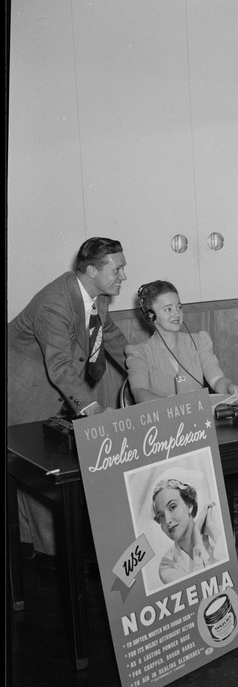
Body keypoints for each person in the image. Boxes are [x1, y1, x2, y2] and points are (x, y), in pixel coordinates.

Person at [7, 237, 130, 561]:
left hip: (57, 385)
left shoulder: (97, 294)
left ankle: (45, 548)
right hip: (24, 390)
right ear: (91, 270)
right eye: (117, 270)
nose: (123, 277)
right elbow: (60, 366)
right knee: (39, 475)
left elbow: (112, 336)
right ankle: (52, 560)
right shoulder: (55, 303)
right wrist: (92, 408)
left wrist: (144, 367)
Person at [125, 280, 238, 402]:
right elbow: (139, 392)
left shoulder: (199, 342)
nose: (177, 314)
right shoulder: (139, 353)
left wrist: (229, 387)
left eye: (179, 307)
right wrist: (169, 404)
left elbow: (217, 379)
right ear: (150, 315)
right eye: (168, 309)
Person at [151, 475, 220, 584]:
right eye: (161, 516)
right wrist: (196, 532)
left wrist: (209, 531)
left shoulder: (213, 529)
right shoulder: (166, 565)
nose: (167, 520)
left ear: (189, 506)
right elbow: (200, 585)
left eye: (172, 507)